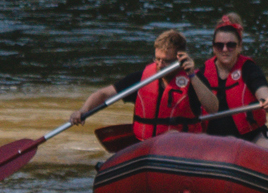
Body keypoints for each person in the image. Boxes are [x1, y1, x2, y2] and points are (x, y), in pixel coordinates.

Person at [68, 29, 201, 139]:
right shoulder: (141, 79)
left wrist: (192, 76)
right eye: (157, 59)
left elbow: (211, 106)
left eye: (166, 61)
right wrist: (83, 110)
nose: (160, 65)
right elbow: (104, 94)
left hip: (180, 148)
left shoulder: (194, 82)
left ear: (180, 59)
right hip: (145, 146)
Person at [186, 13, 268, 149]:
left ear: (239, 46)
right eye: (219, 45)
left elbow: (263, 92)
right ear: (213, 48)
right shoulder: (201, 73)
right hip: (213, 140)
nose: (225, 50)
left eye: (231, 45)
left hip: (251, 137)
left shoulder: (249, 69)